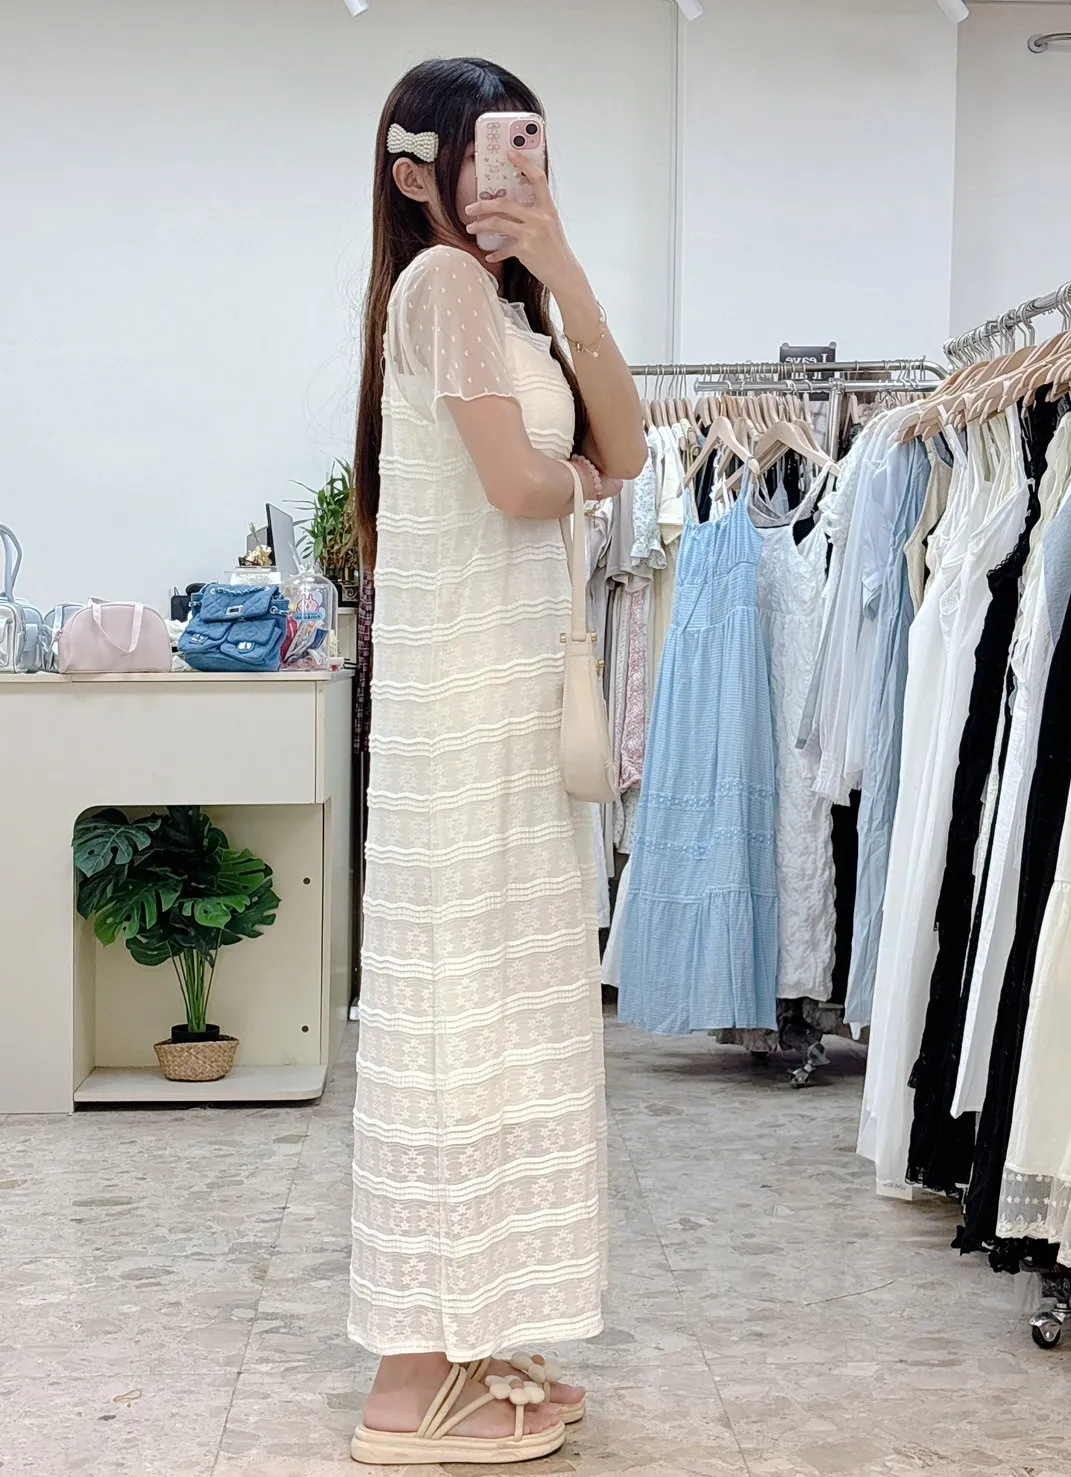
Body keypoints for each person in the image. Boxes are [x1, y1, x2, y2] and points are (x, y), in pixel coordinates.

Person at [347, 57, 646, 1466]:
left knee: (502, 1015)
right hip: (465, 716)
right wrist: (575, 478)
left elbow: (627, 445)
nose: (513, 172)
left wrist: (564, 262)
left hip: (512, 716)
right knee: (457, 1018)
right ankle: (409, 1383)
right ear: (419, 172)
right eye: (487, 150)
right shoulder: (437, 288)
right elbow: (533, 485)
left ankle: (467, 1332)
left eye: (530, 146)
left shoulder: (510, 301)